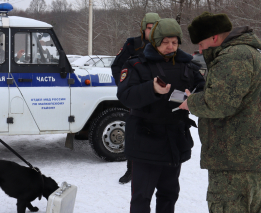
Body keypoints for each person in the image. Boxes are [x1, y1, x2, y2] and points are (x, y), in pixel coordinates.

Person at [117, 18, 205, 213]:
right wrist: (151, 89)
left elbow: (203, 89)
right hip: (145, 140)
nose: (170, 47)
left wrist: (195, 98)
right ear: (155, 42)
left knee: (169, 194)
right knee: (141, 198)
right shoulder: (137, 65)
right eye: (165, 42)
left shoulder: (188, 66)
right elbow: (125, 96)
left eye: (174, 42)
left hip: (174, 139)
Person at [179, 12, 261, 212]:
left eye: (200, 44)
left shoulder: (234, 56)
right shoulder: (249, 53)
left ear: (214, 38)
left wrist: (190, 102)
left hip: (234, 164)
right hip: (247, 160)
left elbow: (219, 103)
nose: (199, 50)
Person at [111, 12, 160, 184]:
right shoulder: (133, 44)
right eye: (149, 28)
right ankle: (131, 169)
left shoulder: (165, 44)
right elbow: (117, 65)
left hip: (158, 95)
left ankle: (155, 167)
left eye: (156, 27)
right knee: (134, 133)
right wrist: (125, 87)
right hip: (137, 95)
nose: (152, 31)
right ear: (143, 29)